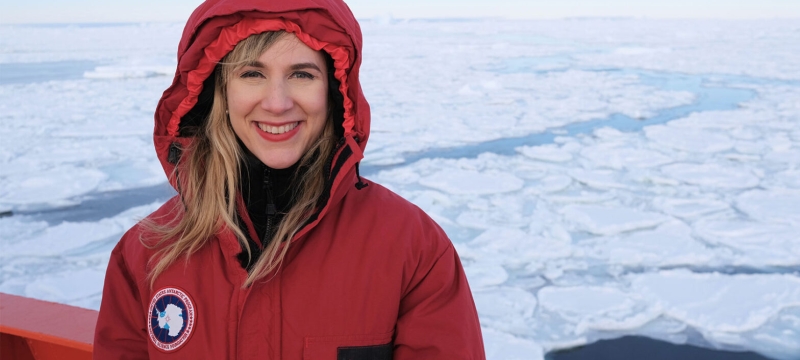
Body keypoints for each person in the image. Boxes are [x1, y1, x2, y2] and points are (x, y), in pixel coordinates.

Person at [93, 0, 485, 358]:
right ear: (219, 94)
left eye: (301, 74)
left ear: (333, 93)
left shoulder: (411, 248)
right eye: (252, 73)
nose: (277, 102)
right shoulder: (146, 253)